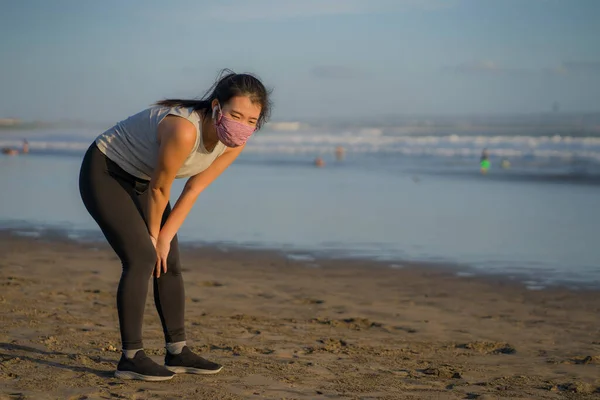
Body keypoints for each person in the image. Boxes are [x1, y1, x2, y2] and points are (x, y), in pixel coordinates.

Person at [78, 70, 271, 381]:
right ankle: (131, 357)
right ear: (216, 107)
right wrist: (154, 237)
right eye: (236, 115)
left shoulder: (234, 143)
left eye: (251, 121)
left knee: (169, 261)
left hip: (146, 182)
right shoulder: (184, 130)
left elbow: (193, 189)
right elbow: (160, 189)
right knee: (142, 257)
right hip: (106, 172)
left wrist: (164, 238)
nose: (242, 125)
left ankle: (177, 351)